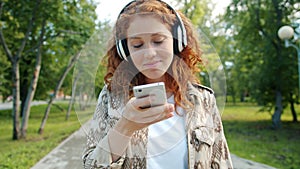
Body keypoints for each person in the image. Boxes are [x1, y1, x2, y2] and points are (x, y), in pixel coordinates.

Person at [82, 0, 233, 168]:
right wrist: (125, 127)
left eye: (158, 41)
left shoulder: (204, 99)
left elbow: (222, 163)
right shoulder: (110, 97)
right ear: (125, 50)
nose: (150, 54)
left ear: (177, 42)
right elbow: (90, 165)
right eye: (137, 45)